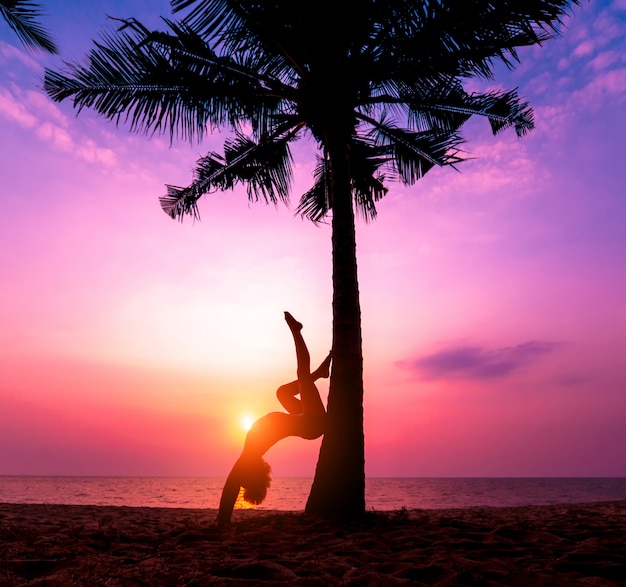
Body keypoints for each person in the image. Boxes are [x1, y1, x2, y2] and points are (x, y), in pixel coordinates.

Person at [217, 311, 331, 527]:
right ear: (251, 475)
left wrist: (222, 521)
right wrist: (222, 522)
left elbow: (233, 483)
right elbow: (231, 485)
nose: (239, 475)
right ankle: (297, 331)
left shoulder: (251, 452)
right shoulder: (250, 453)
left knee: (282, 393)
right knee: (302, 373)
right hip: (312, 421)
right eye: (245, 479)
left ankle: (320, 372)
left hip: (304, 419)